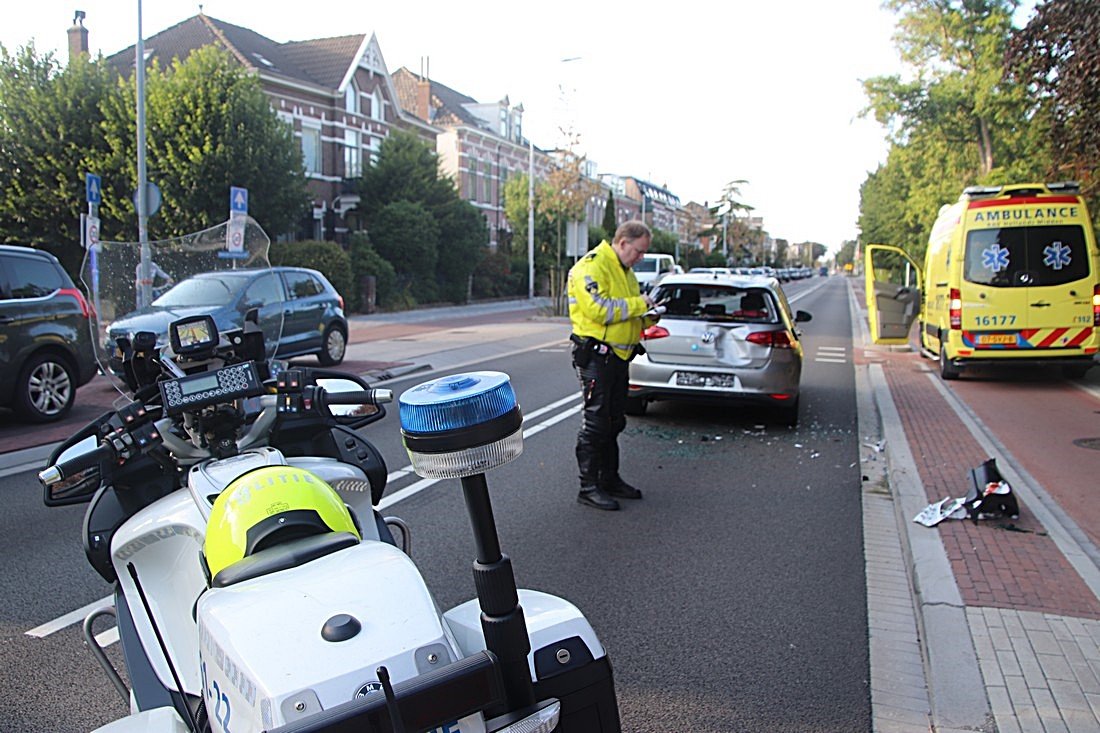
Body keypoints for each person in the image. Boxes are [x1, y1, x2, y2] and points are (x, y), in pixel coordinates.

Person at [566, 220, 660, 510]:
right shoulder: (591, 267)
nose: (641, 257)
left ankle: (609, 478)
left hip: (618, 357)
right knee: (595, 424)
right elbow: (600, 310)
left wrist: (650, 315)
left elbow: (628, 310)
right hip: (596, 357)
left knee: (614, 421)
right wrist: (639, 306)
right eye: (639, 251)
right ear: (622, 242)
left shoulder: (624, 270)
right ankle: (588, 486)